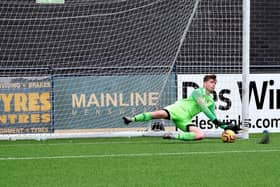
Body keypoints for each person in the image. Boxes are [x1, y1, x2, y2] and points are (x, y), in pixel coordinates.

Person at [122, 74, 242, 141]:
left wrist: (227, 127)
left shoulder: (211, 101)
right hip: (178, 109)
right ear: (204, 83)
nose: (213, 84)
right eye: (211, 82)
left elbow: (213, 118)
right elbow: (204, 109)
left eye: (215, 83)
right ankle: (131, 119)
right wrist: (221, 123)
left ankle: (173, 135)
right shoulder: (197, 92)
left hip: (185, 119)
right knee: (158, 114)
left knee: (200, 135)